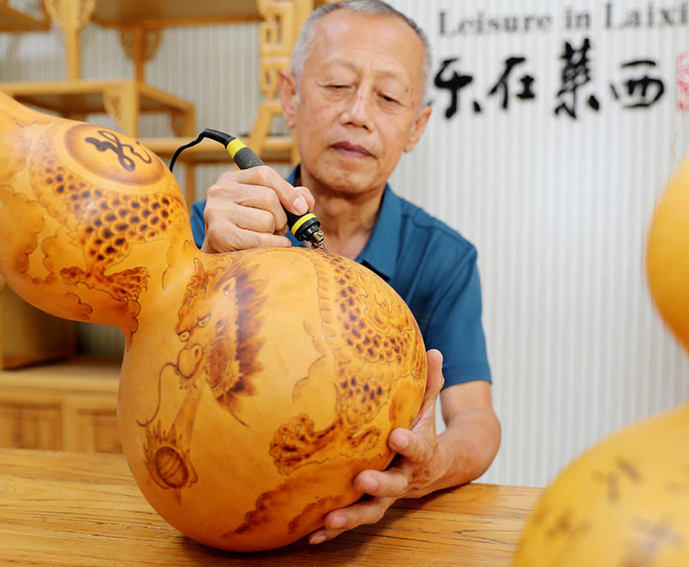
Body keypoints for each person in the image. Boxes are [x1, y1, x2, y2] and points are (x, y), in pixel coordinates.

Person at [189, 0, 501, 545]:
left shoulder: (443, 257)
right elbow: (157, 379)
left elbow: (476, 418)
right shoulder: (215, 226)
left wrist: (428, 466)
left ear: (416, 126)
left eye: (388, 97)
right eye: (337, 85)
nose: (358, 113)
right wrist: (206, 268)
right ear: (290, 97)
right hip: (225, 514)